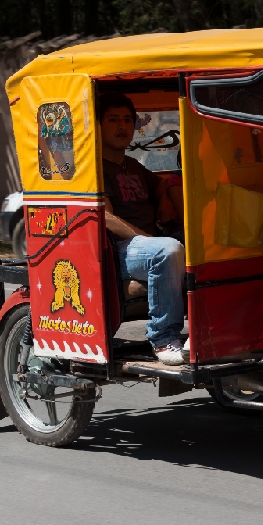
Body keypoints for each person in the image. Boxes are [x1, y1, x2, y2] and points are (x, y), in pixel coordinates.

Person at [99, 92, 186, 364]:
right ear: (98, 125)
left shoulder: (132, 165)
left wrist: (164, 201)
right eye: (113, 120)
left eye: (127, 120)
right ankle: (162, 338)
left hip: (149, 243)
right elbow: (106, 218)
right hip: (121, 253)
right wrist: (148, 239)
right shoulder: (96, 168)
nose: (122, 127)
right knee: (167, 249)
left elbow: (160, 185)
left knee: (204, 242)